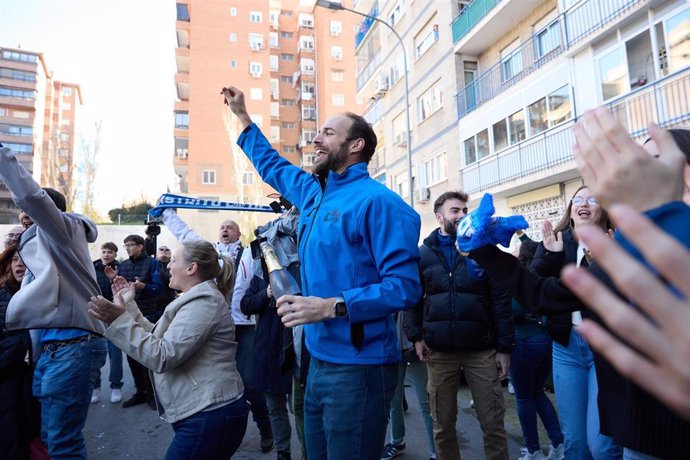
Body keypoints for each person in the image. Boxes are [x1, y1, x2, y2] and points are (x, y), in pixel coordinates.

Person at [464, 110, 690, 459]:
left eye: (652, 162)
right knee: (583, 446)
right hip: (640, 432)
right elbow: (545, 295)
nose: (634, 174)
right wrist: (483, 250)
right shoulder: (631, 248)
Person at [223, 86, 422, 460]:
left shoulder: (381, 203)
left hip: (360, 369)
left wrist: (332, 307)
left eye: (328, 133)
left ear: (356, 145)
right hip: (314, 363)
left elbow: (405, 288)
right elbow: (273, 166)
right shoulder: (314, 194)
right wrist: (243, 117)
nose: (316, 138)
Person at [88, 240, 249, 460]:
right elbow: (158, 338)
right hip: (203, 412)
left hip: (210, 414)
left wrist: (117, 320)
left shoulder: (204, 303)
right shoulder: (194, 300)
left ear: (191, 268)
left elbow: (162, 355)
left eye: (174, 260)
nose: (169, 266)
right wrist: (129, 308)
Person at [0, 143, 107, 459]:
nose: (25, 227)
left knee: (63, 444)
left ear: (48, 213)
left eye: (30, 219)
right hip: (52, 353)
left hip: (72, 346)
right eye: (22, 222)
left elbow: (31, 197)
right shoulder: (45, 255)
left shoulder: (64, 231)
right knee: (49, 439)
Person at [403, 190, 514, 460]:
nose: (463, 215)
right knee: (442, 426)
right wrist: (416, 336)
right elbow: (413, 300)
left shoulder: (483, 250)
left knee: (493, 424)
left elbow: (501, 300)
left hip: (481, 351)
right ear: (440, 217)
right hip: (439, 354)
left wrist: (504, 348)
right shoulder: (423, 255)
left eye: (465, 210)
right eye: (456, 211)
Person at [160, 209, 274, 451]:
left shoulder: (250, 255)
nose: (224, 230)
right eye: (222, 227)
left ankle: (265, 428)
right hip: (211, 326)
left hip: (243, 328)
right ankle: (220, 427)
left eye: (230, 227)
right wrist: (167, 214)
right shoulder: (210, 254)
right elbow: (185, 234)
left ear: (238, 233)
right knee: (206, 377)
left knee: (251, 383)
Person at [529, 186, 620, 460]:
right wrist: (550, 255)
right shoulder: (557, 241)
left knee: (601, 446)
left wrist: (606, 261)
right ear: (570, 209)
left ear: (602, 208)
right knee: (575, 444)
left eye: (592, 199)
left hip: (603, 349)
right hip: (566, 347)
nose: (584, 203)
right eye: (578, 199)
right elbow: (533, 288)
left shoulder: (615, 241)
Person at [511, 239, 564, 460]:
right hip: (544, 340)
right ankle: (558, 444)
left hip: (524, 340)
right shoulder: (545, 277)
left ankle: (533, 450)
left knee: (523, 397)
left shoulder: (523, 279)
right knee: (537, 393)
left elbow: (514, 310)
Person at [0, 244, 40, 459]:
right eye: (15, 259)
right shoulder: (3, 296)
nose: (20, 264)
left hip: (33, 374)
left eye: (25, 259)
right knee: (13, 434)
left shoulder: (40, 295)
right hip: (9, 376)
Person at [381, 311, 436, 460]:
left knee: (426, 400)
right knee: (394, 399)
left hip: (417, 344)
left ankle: (435, 451)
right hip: (394, 346)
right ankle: (397, 441)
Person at [118, 234, 163, 409]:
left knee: (148, 356)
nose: (128, 248)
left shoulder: (153, 263)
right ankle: (140, 393)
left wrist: (143, 286)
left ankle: (153, 394)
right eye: (125, 245)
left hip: (148, 314)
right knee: (132, 357)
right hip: (129, 315)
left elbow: (158, 289)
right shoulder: (123, 266)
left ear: (140, 246)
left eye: (130, 245)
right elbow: (119, 290)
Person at [91, 242, 124, 404]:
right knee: (96, 351)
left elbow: (122, 290)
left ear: (115, 254)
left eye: (110, 252)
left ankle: (116, 386)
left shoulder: (121, 268)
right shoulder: (92, 267)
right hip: (96, 314)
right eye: (104, 251)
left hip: (113, 314)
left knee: (115, 352)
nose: (106, 254)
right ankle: (95, 387)